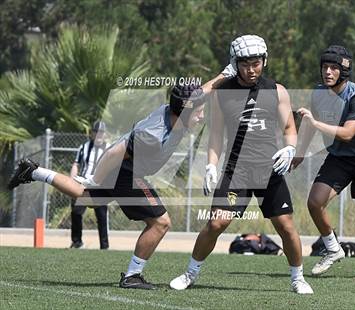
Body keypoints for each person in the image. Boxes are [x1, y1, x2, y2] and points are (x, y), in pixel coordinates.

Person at [8, 83, 207, 289]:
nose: (202, 117)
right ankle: (132, 276)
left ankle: (33, 171)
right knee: (160, 222)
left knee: (85, 195)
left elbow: (201, 93)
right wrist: (97, 178)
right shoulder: (153, 136)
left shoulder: (176, 111)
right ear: (184, 111)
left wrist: (227, 73)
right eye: (199, 113)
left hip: (126, 169)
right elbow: (115, 154)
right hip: (127, 171)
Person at [170, 35, 313, 294]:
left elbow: (290, 127)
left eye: (256, 63)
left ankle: (298, 278)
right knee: (216, 223)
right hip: (237, 171)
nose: (251, 69)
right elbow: (215, 136)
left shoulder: (277, 90)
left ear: (264, 61)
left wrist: (290, 148)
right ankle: (191, 273)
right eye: (245, 63)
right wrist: (211, 166)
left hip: (269, 170)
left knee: (286, 225)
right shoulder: (222, 93)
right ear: (235, 63)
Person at [291, 45, 355, 279]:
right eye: (325, 67)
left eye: (334, 68)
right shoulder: (319, 93)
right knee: (314, 202)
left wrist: (314, 123)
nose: (328, 72)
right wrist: (299, 154)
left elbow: (347, 134)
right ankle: (333, 249)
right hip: (340, 158)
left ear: (344, 71)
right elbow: (309, 125)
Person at [70, 120, 109, 249]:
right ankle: (77, 242)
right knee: (76, 212)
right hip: (83, 184)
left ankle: (104, 246)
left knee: (102, 216)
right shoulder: (84, 147)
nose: (99, 135)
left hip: (100, 186)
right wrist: (72, 180)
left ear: (105, 134)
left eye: (101, 132)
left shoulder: (109, 148)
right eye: (96, 132)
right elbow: (76, 164)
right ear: (91, 133)